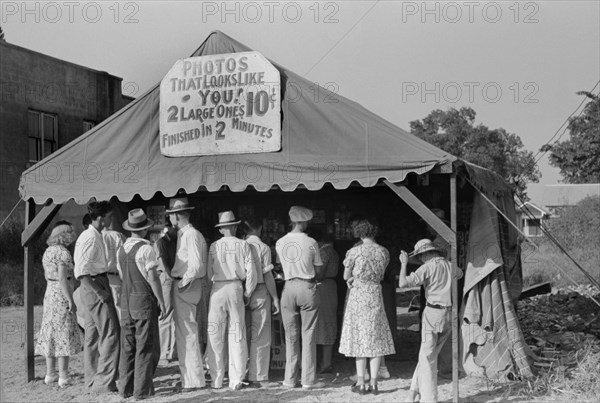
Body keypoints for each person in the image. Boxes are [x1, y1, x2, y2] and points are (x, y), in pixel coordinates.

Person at [399, 239, 462, 403]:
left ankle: (429, 399)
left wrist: (403, 264)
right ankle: (412, 392)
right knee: (428, 355)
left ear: (424, 254)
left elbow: (403, 283)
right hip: (450, 314)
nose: (420, 260)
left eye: (420, 257)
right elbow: (461, 273)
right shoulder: (450, 266)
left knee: (427, 358)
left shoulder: (427, 267)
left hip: (433, 313)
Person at [339, 218, 395, 395]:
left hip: (359, 295)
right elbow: (382, 273)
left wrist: (351, 279)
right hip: (375, 294)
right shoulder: (383, 252)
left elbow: (345, 275)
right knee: (376, 338)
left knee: (359, 338)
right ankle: (374, 383)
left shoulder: (354, 251)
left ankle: (361, 383)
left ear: (360, 234)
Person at [117, 208, 166, 399]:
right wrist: (161, 300)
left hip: (126, 302)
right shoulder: (146, 249)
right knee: (146, 347)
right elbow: (153, 278)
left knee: (128, 347)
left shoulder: (121, 249)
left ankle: (125, 389)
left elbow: (122, 276)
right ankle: (141, 391)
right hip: (143, 301)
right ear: (145, 229)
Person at [275, 206, 325, 389]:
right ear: (303, 222)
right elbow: (319, 270)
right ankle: (308, 380)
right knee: (308, 334)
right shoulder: (311, 242)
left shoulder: (280, 242)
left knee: (290, 336)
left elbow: (279, 266)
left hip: (288, 288)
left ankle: (289, 379)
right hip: (307, 286)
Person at [207, 211, 257, 390]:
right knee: (237, 334)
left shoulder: (214, 246)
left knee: (215, 334)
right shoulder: (243, 244)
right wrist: (248, 292)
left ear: (221, 230)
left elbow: (208, 273)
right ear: (235, 227)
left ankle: (216, 379)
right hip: (236, 286)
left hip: (218, 287)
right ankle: (236, 379)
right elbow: (251, 271)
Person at [74, 201, 120, 393]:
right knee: (111, 332)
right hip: (94, 283)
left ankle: (92, 380)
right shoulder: (90, 238)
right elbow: (81, 271)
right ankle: (104, 381)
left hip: (94, 282)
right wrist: (99, 291)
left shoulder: (93, 235)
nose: (110, 220)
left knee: (92, 335)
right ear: (101, 218)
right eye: (109, 216)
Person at [35, 221, 82, 388]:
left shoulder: (48, 252)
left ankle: (50, 373)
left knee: (50, 331)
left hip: (50, 292)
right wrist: (70, 299)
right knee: (63, 333)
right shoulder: (63, 253)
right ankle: (63, 375)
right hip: (62, 293)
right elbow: (63, 278)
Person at [167, 197, 207, 390]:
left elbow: (197, 265)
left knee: (187, 333)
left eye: (171, 215)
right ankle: (190, 378)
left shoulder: (190, 235)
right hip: (187, 284)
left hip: (186, 285)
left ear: (176, 215)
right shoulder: (186, 234)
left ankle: (192, 380)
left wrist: (182, 283)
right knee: (187, 332)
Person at [242, 218, 281, 387]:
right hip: (259, 291)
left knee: (241, 334)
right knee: (261, 335)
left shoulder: (239, 246)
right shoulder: (264, 248)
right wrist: (275, 298)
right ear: (260, 229)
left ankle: (239, 373)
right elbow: (267, 275)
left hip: (241, 292)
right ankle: (257, 376)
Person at [311, 229, 339, 374]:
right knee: (329, 324)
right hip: (331, 288)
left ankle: (324, 363)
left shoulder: (323, 252)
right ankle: (326, 361)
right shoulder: (333, 251)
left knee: (322, 325)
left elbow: (319, 275)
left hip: (323, 289)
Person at [155, 225, 178, 364]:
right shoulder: (162, 242)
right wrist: (171, 276)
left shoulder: (175, 241)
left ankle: (171, 351)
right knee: (165, 315)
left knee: (173, 316)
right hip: (167, 279)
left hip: (172, 278)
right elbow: (163, 262)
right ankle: (164, 351)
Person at [102, 215, 126, 321]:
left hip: (101, 278)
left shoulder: (96, 236)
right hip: (115, 277)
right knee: (119, 309)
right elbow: (123, 260)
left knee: (105, 313)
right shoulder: (118, 236)